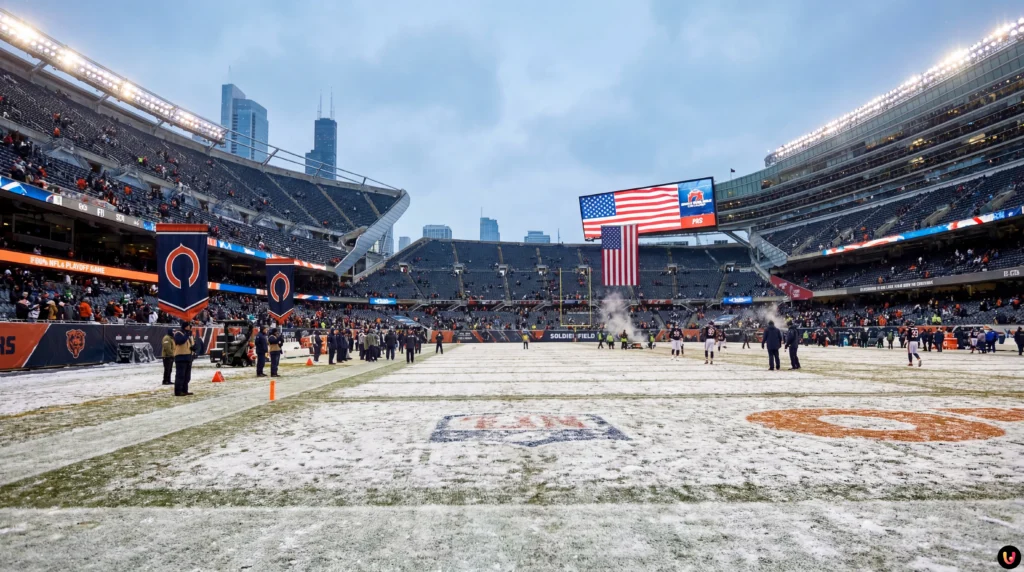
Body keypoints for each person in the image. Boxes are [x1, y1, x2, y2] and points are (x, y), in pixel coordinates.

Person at [173, 321, 195, 396]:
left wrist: (194, 348)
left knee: (187, 376)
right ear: (186, 326)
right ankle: (178, 391)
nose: (190, 328)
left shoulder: (189, 335)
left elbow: (191, 344)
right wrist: (186, 335)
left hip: (188, 357)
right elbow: (180, 341)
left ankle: (185, 390)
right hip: (181, 357)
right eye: (189, 326)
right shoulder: (179, 333)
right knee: (180, 376)